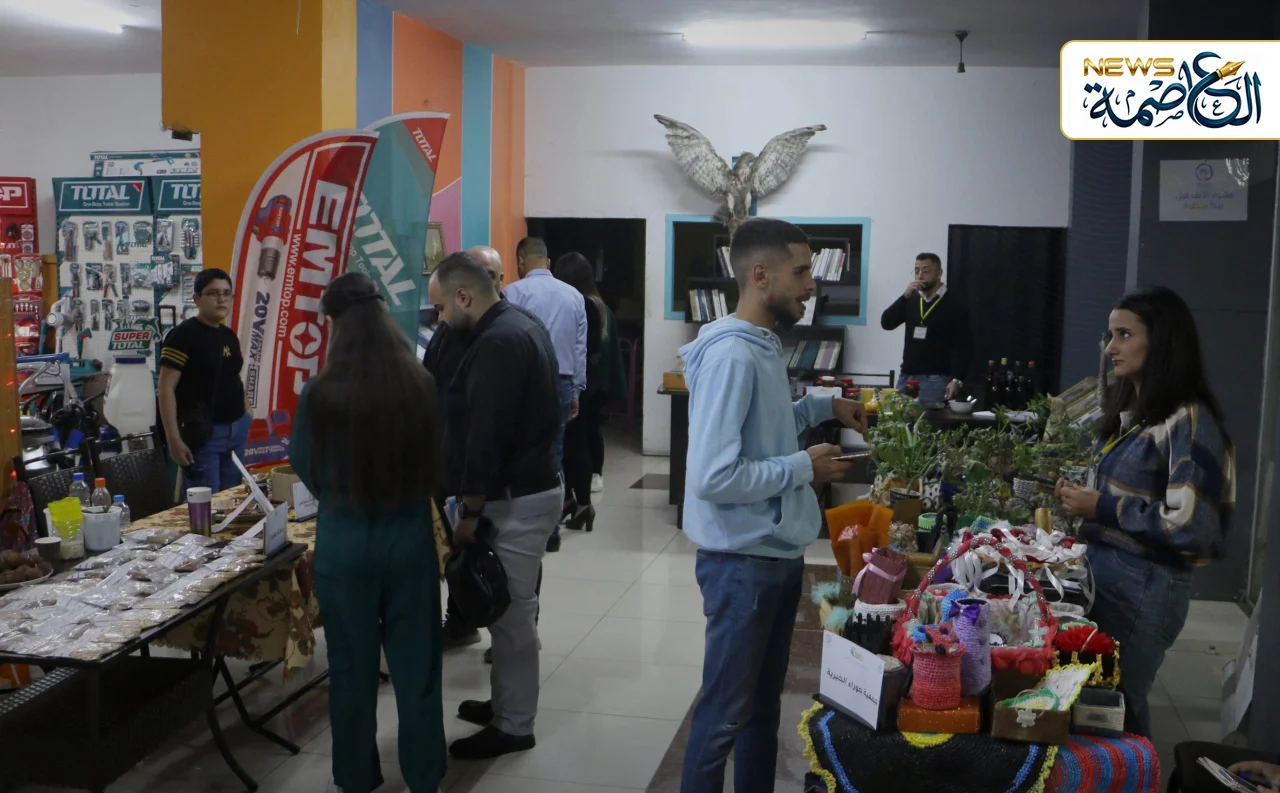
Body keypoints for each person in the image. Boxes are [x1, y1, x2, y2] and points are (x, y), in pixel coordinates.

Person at [678, 218, 868, 793]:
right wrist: (803, 467)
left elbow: (765, 430)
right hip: (743, 564)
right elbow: (714, 475)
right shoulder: (733, 356)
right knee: (723, 718)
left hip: (772, 554)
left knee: (761, 711)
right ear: (760, 275)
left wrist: (822, 407)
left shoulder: (761, 344)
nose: (811, 285)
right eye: (801, 271)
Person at [289, 272, 447, 793]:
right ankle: (425, 775)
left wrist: (339, 496)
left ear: (335, 324)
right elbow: (438, 459)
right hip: (409, 539)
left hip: (345, 540)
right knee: (417, 667)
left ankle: (355, 777)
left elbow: (304, 464)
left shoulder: (320, 393)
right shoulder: (419, 384)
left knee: (352, 670)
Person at [1054, 285, 1235, 739]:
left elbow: (1192, 525)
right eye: (1110, 335)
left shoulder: (1188, 419)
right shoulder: (1138, 412)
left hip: (1145, 584)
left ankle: (1133, 772)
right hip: (1113, 576)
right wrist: (1084, 498)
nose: (1110, 348)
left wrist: (1102, 506)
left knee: (1117, 709)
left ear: (1163, 342)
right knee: (1104, 702)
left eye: (1125, 335)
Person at [427, 251, 564, 759]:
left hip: (513, 498)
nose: (440, 320)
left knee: (510, 617)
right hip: (525, 491)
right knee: (508, 613)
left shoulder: (499, 343)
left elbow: (487, 436)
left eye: (442, 308)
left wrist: (469, 512)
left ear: (464, 296)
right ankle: (506, 703)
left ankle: (514, 725)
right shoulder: (514, 324)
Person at [506, 236, 588, 551]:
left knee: (520, 452)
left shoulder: (512, 293)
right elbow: (579, 349)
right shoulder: (574, 296)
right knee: (555, 453)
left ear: (520, 261)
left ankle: (523, 527)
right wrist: (576, 390)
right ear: (548, 262)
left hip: (524, 383)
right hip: (562, 382)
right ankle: (552, 532)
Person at [158, 268, 252, 494]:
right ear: (197, 299)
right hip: (204, 436)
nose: (221, 299)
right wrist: (173, 440)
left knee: (233, 500)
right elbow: (165, 388)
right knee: (206, 505)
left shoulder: (228, 335)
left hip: (236, 431)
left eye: (226, 293)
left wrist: (247, 413)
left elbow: (233, 376)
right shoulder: (183, 335)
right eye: (213, 293)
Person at [551, 252, 626, 529]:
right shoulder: (600, 304)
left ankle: (579, 499)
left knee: (575, 441)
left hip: (583, 384)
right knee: (587, 434)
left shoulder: (582, 304)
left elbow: (587, 349)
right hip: (597, 383)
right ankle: (580, 498)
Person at [879, 253, 972, 402]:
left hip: (934, 379)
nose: (920, 275)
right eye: (917, 270)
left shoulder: (954, 303)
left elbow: (963, 346)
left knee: (925, 417)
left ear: (939, 273)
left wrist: (957, 379)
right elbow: (886, 323)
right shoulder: (911, 299)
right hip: (907, 377)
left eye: (926, 270)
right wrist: (904, 296)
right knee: (896, 416)